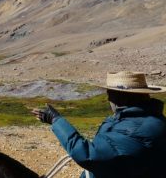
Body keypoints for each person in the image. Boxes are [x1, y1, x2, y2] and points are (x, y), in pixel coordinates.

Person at [33, 71, 166, 178]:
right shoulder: (148, 118)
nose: (108, 99)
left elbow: (89, 155)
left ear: (122, 97)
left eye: (110, 94)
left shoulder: (135, 130)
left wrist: (56, 120)